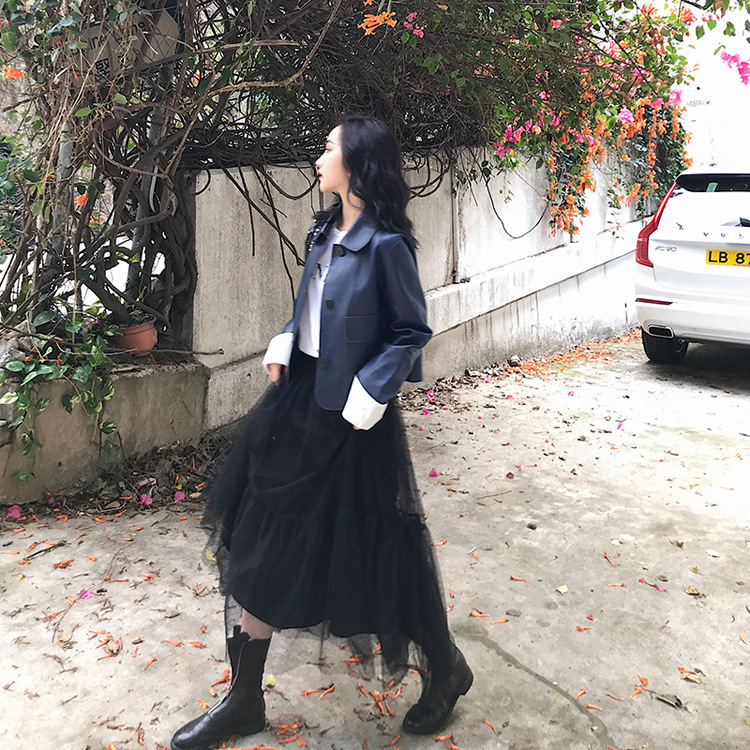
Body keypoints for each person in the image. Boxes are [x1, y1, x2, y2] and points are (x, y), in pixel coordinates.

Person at [170, 115, 472, 750]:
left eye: (329, 147)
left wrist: (373, 388)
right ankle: (244, 700)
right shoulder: (321, 229)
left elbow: (411, 331)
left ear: (357, 164)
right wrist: (287, 338)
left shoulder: (387, 246)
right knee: (260, 538)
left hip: (356, 423)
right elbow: (311, 309)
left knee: (383, 552)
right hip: (299, 404)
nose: (318, 156)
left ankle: (445, 667)